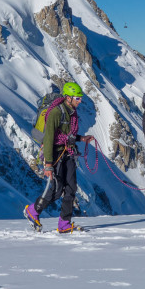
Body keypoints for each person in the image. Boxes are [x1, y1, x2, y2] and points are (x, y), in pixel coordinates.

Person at [24, 82, 93, 233]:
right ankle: (33, 210)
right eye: (77, 98)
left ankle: (64, 223)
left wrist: (81, 139)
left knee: (71, 188)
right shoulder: (57, 112)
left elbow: (68, 136)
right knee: (55, 190)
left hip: (68, 153)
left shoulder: (72, 112)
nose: (79, 101)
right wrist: (48, 164)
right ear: (68, 98)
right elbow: (49, 139)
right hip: (55, 154)